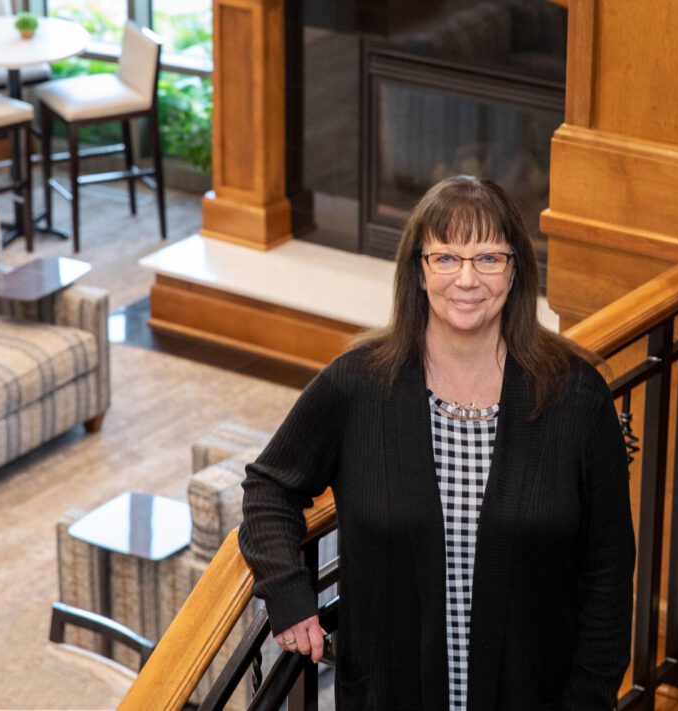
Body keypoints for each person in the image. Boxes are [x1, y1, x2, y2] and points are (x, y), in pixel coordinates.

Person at [238, 176, 635, 711]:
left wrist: (587, 701)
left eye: (488, 258)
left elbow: (609, 569)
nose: (467, 279)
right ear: (418, 272)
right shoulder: (357, 384)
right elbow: (269, 488)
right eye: (446, 257)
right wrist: (289, 593)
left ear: (515, 270)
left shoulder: (576, 396)